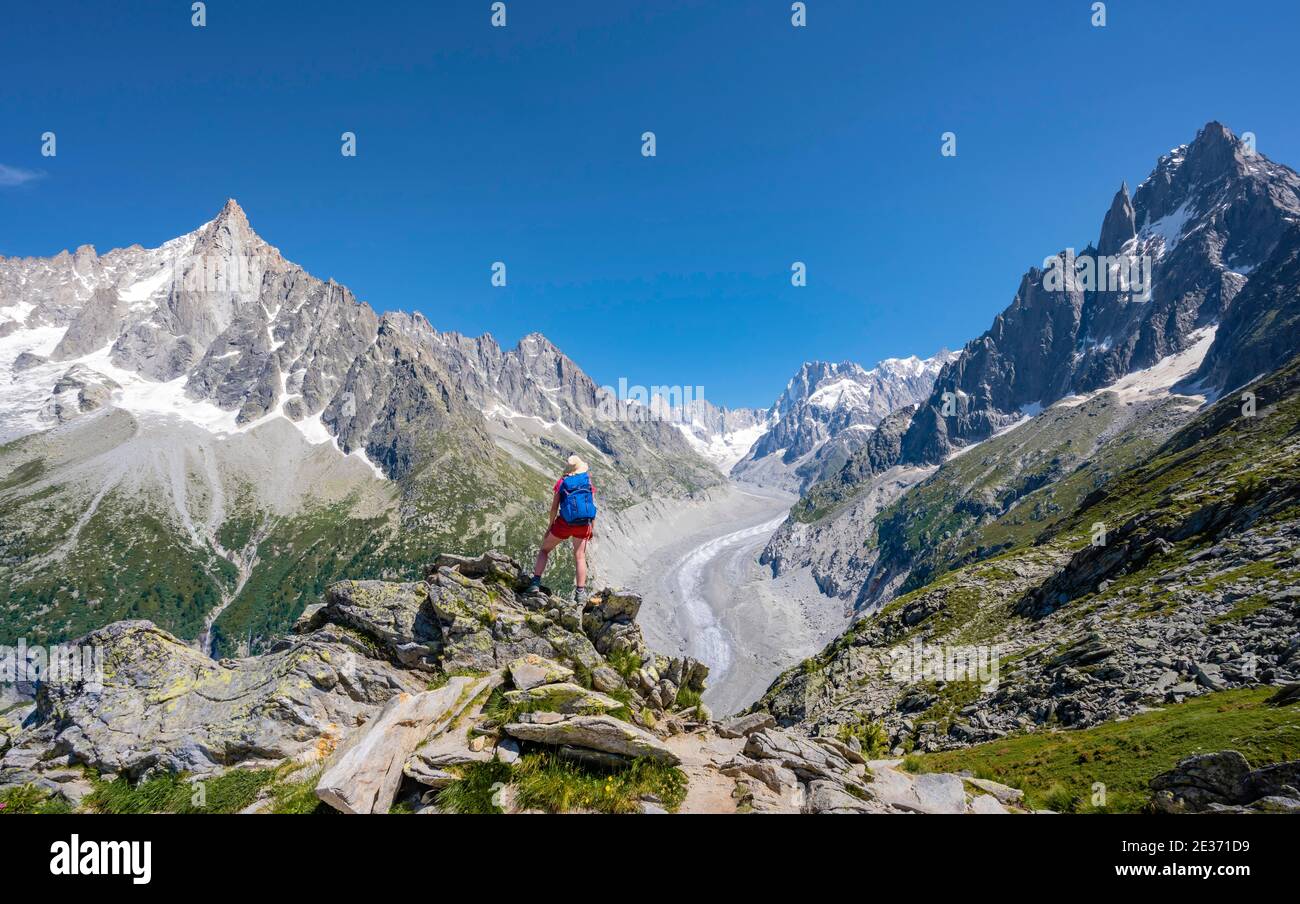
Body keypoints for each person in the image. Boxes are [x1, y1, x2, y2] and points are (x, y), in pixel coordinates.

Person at [528, 454, 597, 602]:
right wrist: (592, 528)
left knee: (544, 550)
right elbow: (592, 504)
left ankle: (535, 583)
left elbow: (554, 508)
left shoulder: (562, 482)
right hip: (584, 523)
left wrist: (550, 525)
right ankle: (580, 593)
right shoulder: (587, 481)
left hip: (565, 523)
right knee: (580, 556)